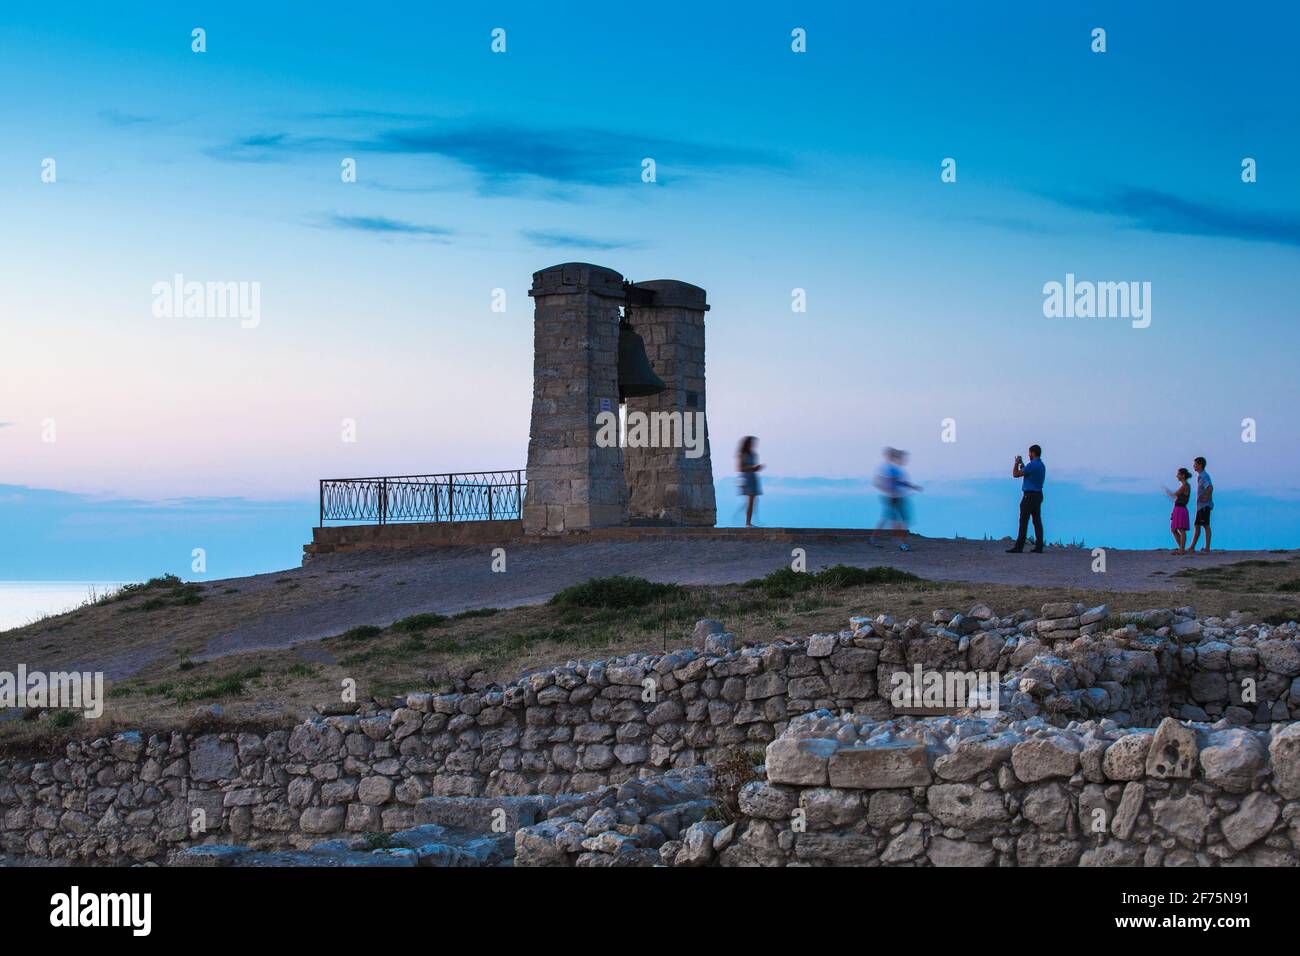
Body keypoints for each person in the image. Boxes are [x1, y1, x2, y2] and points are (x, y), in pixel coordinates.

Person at [870, 448, 922, 551]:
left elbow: (897, 482)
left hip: (897, 497)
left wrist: (912, 487)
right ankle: (903, 544)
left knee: (890, 519)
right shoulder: (890, 468)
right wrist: (892, 494)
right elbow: (891, 482)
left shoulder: (895, 468)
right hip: (894, 498)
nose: (904, 460)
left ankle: (873, 538)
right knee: (899, 521)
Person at [1007, 444, 1046, 553]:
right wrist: (1022, 464)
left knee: (1023, 521)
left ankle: (1019, 546)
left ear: (1033, 453)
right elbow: (1028, 472)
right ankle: (1039, 546)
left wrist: (1016, 463)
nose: (1029, 455)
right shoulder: (1041, 465)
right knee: (1037, 521)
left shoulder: (1033, 464)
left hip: (1029, 496)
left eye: (1029, 453)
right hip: (1038, 495)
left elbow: (1016, 474)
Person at [736, 436, 763, 527]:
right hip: (746, 479)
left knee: (753, 501)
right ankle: (748, 522)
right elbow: (739, 468)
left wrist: (756, 468)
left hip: (753, 477)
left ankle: (748, 521)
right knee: (751, 501)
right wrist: (752, 468)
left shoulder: (753, 454)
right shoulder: (742, 454)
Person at [1190, 456, 1213, 553]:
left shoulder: (1204, 476)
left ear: (1200, 465)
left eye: (1195, 464)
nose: (1194, 466)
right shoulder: (1201, 476)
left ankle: (1205, 548)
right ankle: (1193, 547)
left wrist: (1207, 497)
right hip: (1201, 506)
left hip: (1204, 506)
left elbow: (1210, 487)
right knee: (1198, 525)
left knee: (1204, 526)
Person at [1166, 467, 1192, 553]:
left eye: (1178, 474)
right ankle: (1182, 548)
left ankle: (1181, 549)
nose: (1177, 476)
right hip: (1178, 508)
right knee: (1173, 529)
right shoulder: (1184, 486)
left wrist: (1167, 491)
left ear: (1183, 475)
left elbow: (1174, 495)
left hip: (1181, 509)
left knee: (1181, 529)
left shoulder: (1185, 486)